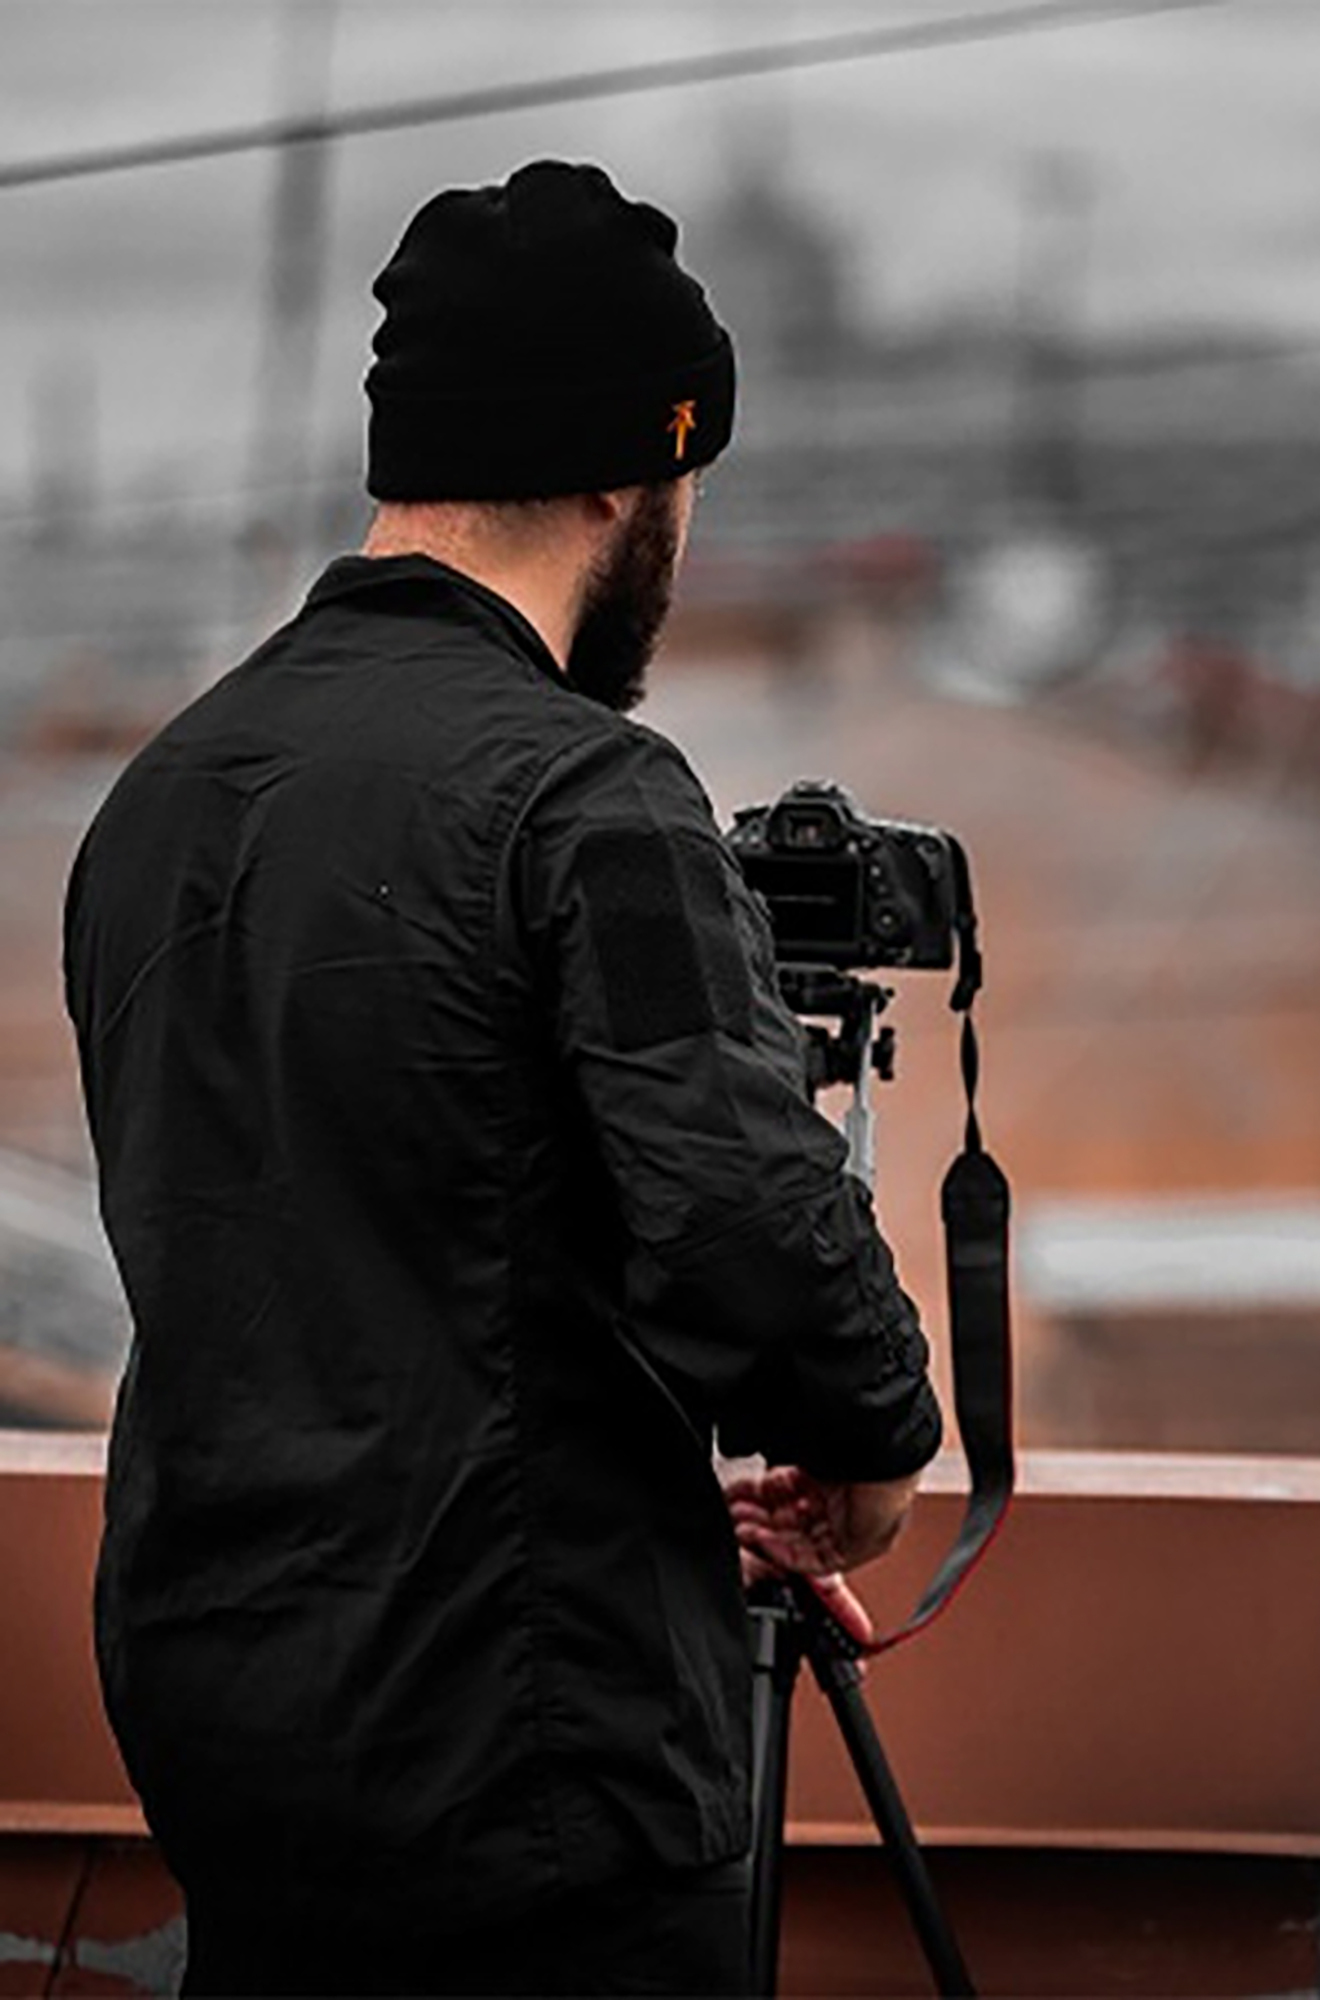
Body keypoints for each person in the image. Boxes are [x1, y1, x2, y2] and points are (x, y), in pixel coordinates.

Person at [63, 160, 942, 1998]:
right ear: (631, 478)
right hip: (532, 1761)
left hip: (227, 1719)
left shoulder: (165, 797)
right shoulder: (588, 797)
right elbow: (741, 1212)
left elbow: (337, 1264)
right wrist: (868, 1444)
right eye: (686, 491)